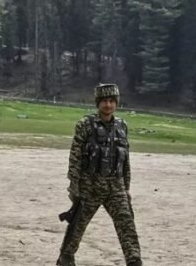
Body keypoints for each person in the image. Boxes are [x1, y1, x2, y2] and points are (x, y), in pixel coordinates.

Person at [57, 84, 142, 266]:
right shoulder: (85, 125)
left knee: (127, 226)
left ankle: (134, 261)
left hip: (116, 187)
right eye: (104, 101)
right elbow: (75, 157)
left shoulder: (122, 126)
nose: (108, 105)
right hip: (90, 187)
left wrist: (126, 188)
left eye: (112, 101)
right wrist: (75, 187)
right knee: (77, 226)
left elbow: (125, 160)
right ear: (98, 103)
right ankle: (65, 259)